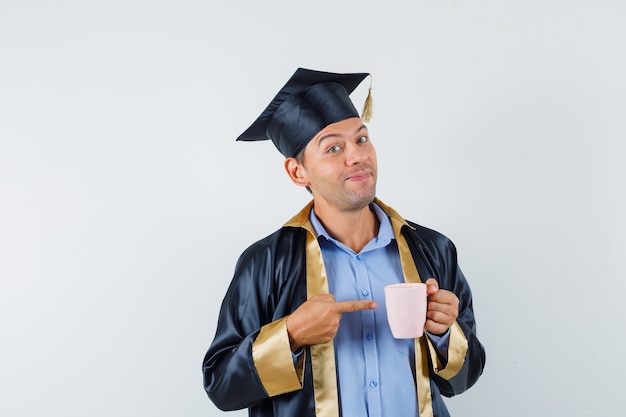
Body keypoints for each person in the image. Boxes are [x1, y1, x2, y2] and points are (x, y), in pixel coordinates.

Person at [202, 68, 485, 417]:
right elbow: (221, 387)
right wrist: (289, 335)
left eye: (362, 140)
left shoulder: (433, 250)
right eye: (334, 147)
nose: (357, 156)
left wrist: (445, 335)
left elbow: (465, 378)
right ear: (297, 172)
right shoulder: (267, 262)